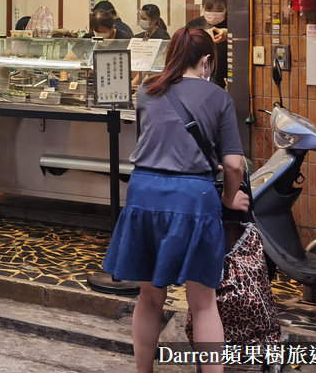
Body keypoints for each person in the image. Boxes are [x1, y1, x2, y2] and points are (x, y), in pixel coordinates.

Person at [102, 27, 249, 373]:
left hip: (144, 196)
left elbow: (151, 142)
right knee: (203, 303)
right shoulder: (218, 98)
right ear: (207, 61)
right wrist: (230, 198)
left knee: (150, 297)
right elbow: (234, 164)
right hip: (192, 201)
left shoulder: (147, 92)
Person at [186, 0, 229, 88]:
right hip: (198, 80)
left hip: (228, 80)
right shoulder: (194, 25)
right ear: (203, 7)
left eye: (219, 10)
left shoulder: (234, 24)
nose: (213, 14)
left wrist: (230, 35)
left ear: (226, 8)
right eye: (209, 9)